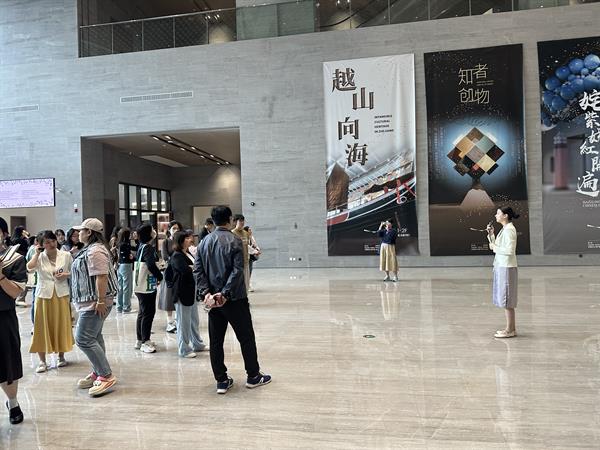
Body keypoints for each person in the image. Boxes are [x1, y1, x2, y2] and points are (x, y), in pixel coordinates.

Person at [193, 206, 271, 394]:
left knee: (216, 341)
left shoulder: (204, 242)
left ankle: (221, 380)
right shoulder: (235, 240)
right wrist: (225, 294)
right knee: (246, 337)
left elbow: (198, 270)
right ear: (229, 219)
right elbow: (238, 271)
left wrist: (207, 293)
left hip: (213, 301)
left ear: (213, 220)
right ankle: (253, 376)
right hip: (234, 299)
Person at [70, 218, 118, 397]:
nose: (78, 233)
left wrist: (100, 301)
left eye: (81, 230)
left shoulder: (95, 250)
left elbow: (101, 276)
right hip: (90, 302)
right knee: (94, 337)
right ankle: (98, 371)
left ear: (89, 232)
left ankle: (106, 375)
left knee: (83, 338)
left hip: (94, 303)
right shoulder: (89, 249)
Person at [27, 230, 74, 373]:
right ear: (41, 245)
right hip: (43, 296)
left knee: (61, 324)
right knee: (41, 327)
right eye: (47, 242)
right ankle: (42, 361)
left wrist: (65, 275)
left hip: (61, 294)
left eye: (53, 241)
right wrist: (36, 253)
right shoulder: (39, 257)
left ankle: (61, 356)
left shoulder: (66, 255)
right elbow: (29, 268)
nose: (52, 244)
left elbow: (74, 272)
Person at [0, 216, 27, 424]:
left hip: (4, 316)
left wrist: (0, 276)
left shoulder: (14, 259)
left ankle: (13, 402)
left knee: (7, 362)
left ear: (4, 234)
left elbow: (15, 293)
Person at [168, 230, 206, 358]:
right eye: (187, 238)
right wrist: (192, 268)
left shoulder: (187, 253)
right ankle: (184, 349)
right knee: (183, 322)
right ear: (181, 241)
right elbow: (185, 270)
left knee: (194, 320)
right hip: (182, 292)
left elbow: (193, 268)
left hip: (191, 291)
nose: (190, 240)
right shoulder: (177, 255)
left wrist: (192, 268)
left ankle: (197, 343)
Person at [487, 207, 520, 339]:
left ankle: (510, 330)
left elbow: (509, 250)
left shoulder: (509, 230)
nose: (496, 215)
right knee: (506, 300)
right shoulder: (505, 229)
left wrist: (494, 247)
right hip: (502, 266)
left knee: (507, 300)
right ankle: (510, 329)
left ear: (505, 216)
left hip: (507, 267)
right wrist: (491, 235)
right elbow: (497, 246)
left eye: (498, 213)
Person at [134, 223, 163, 353]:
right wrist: (160, 276)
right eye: (152, 230)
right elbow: (151, 265)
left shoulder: (141, 246)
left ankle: (140, 339)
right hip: (147, 286)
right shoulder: (148, 248)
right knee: (148, 313)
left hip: (140, 285)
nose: (154, 232)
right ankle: (145, 341)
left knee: (142, 312)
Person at [159, 220, 181, 333]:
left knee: (179, 296)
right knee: (168, 297)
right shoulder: (166, 242)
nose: (176, 230)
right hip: (170, 272)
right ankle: (169, 322)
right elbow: (165, 256)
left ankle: (178, 320)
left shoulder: (181, 241)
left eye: (177, 228)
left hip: (179, 273)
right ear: (169, 230)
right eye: (174, 228)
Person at [116, 227, 134, 313]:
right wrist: (131, 256)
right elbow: (130, 255)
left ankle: (119, 307)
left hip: (119, 265)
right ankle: (126, 307)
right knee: (127, 287)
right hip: (126, 265)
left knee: (120, 287)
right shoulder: (126, 244)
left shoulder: (119, 243)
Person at [231, 214, 251, 292]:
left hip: (246, 262)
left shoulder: (245, 233)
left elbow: (247, 246)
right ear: (235, 222)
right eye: (240, 221)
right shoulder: (232, 233)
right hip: (237, 263)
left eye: (243, 221)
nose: (242, 222)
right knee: (238, 283)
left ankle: (246, 296)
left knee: (246, 283)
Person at [244, 226, 261, 292]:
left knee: (250, 270)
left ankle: (248, 284)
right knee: (246, 271)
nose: (251, 231)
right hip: (245, 257)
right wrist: (255, 251)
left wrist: (257, 249)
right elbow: (247, 247)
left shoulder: (251, 237)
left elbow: (255, 244)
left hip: (251, 257)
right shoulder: (244, 237)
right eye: (249, 230)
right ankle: (247, 285)